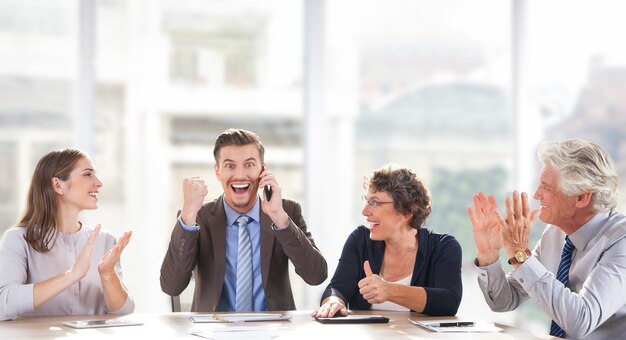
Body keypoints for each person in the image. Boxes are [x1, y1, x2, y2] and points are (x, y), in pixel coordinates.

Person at [468, 138, 626, 339]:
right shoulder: (555, 233)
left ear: (581, 198)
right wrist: (488, 254)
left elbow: (580, 321)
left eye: (546, 187)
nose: (536, 195)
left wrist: (522, 256)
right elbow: (504, 301)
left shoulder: (621, 241)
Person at [160, 128, 327, 312]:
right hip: (213, 331)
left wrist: (279, 217)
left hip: (272, 332)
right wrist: (187, 217)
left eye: (249, 165)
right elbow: (171, 286)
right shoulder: (199, 217)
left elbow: (316, 275)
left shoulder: (286, 212)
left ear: (262, 171)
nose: (240, 175)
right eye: (230, 166)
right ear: (218, 172)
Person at [0, 148, 134, 321]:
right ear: (58, 185)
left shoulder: (105, 240)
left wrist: (108, 274)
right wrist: (72, 274)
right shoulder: (19, 239)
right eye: (88, 174)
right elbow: (4, 303)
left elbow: (124, 312)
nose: (99, 182)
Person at [313, 165, 462, 318]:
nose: (365, 211)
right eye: (367, 200)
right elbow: (338, 288)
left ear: (407, 211)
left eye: (375, 202)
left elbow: (449, 301)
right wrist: (333, 301)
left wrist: (389, 290)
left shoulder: (443, 247)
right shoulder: (360, 241)